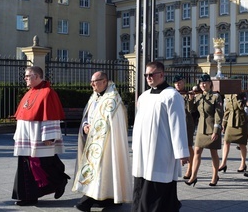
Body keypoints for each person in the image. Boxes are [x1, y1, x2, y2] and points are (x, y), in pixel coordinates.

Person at [132, 61, 189, 212]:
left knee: (158, 185)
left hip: (161, 150)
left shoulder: (172, 96)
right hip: (143, 150)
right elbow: (138, 123)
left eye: (152, 74)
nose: (148, 77)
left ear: (162, 75)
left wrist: (182, 152)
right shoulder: (143, 96)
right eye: (146, 75)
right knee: (141, 183)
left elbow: (178, 124)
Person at [72, 71, 132, 211]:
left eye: (95, 81)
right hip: (92, 140)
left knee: (100, 169)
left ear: (105, 81)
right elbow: (88, 115)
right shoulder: (94, 97)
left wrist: (94, 129)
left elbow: (112, 122)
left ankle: (86, 201)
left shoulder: (112, 99)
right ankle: (109, 198)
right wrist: (86, 125)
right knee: (102, 169)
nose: (92, 84)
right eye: (91, 81)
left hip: (107, 142)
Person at [12, 66, 70, 206]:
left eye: (28, 76)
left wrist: (50, 136)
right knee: (26, 166)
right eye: (25, 76)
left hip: (39, 137)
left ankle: (60, 181)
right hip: (26, 137)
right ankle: (28, 197)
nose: (25, 78)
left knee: (44, 164)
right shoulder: (29, 93)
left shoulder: (48, 93)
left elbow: (51, 116)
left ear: (37, 76)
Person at [186, 73, 223, 187]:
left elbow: (218, 114)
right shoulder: (199, 96)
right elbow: (190, 109)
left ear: (210, 83)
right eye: (201, 83)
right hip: (201, 128)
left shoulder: (216, 97)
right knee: (197, 152)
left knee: (213, 153)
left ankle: (214, 176)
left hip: (212, 128)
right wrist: (191, 99)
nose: (203, 85)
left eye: (205, 82)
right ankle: (193, 176)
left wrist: (216, 130)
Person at [218, 90, 248, 173]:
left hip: (241, 121)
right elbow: (227, 110)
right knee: (226, 141)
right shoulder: (227, 94)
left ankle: (243, 163)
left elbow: (242, 107)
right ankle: (223, 163)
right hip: (231, 121)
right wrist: (223, 123)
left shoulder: (242, 94)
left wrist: (237, 96)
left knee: (242, 144)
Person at [173, 75, 195, 179]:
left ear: (184, 83)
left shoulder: (187, 94)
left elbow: (190, 110)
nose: (178, 84)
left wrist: (190, 100)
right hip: (174, 122)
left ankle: (190, 169)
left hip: (187, 122)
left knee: (189, 145)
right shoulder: (172, 93)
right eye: (176, 83)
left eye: (180, 82)